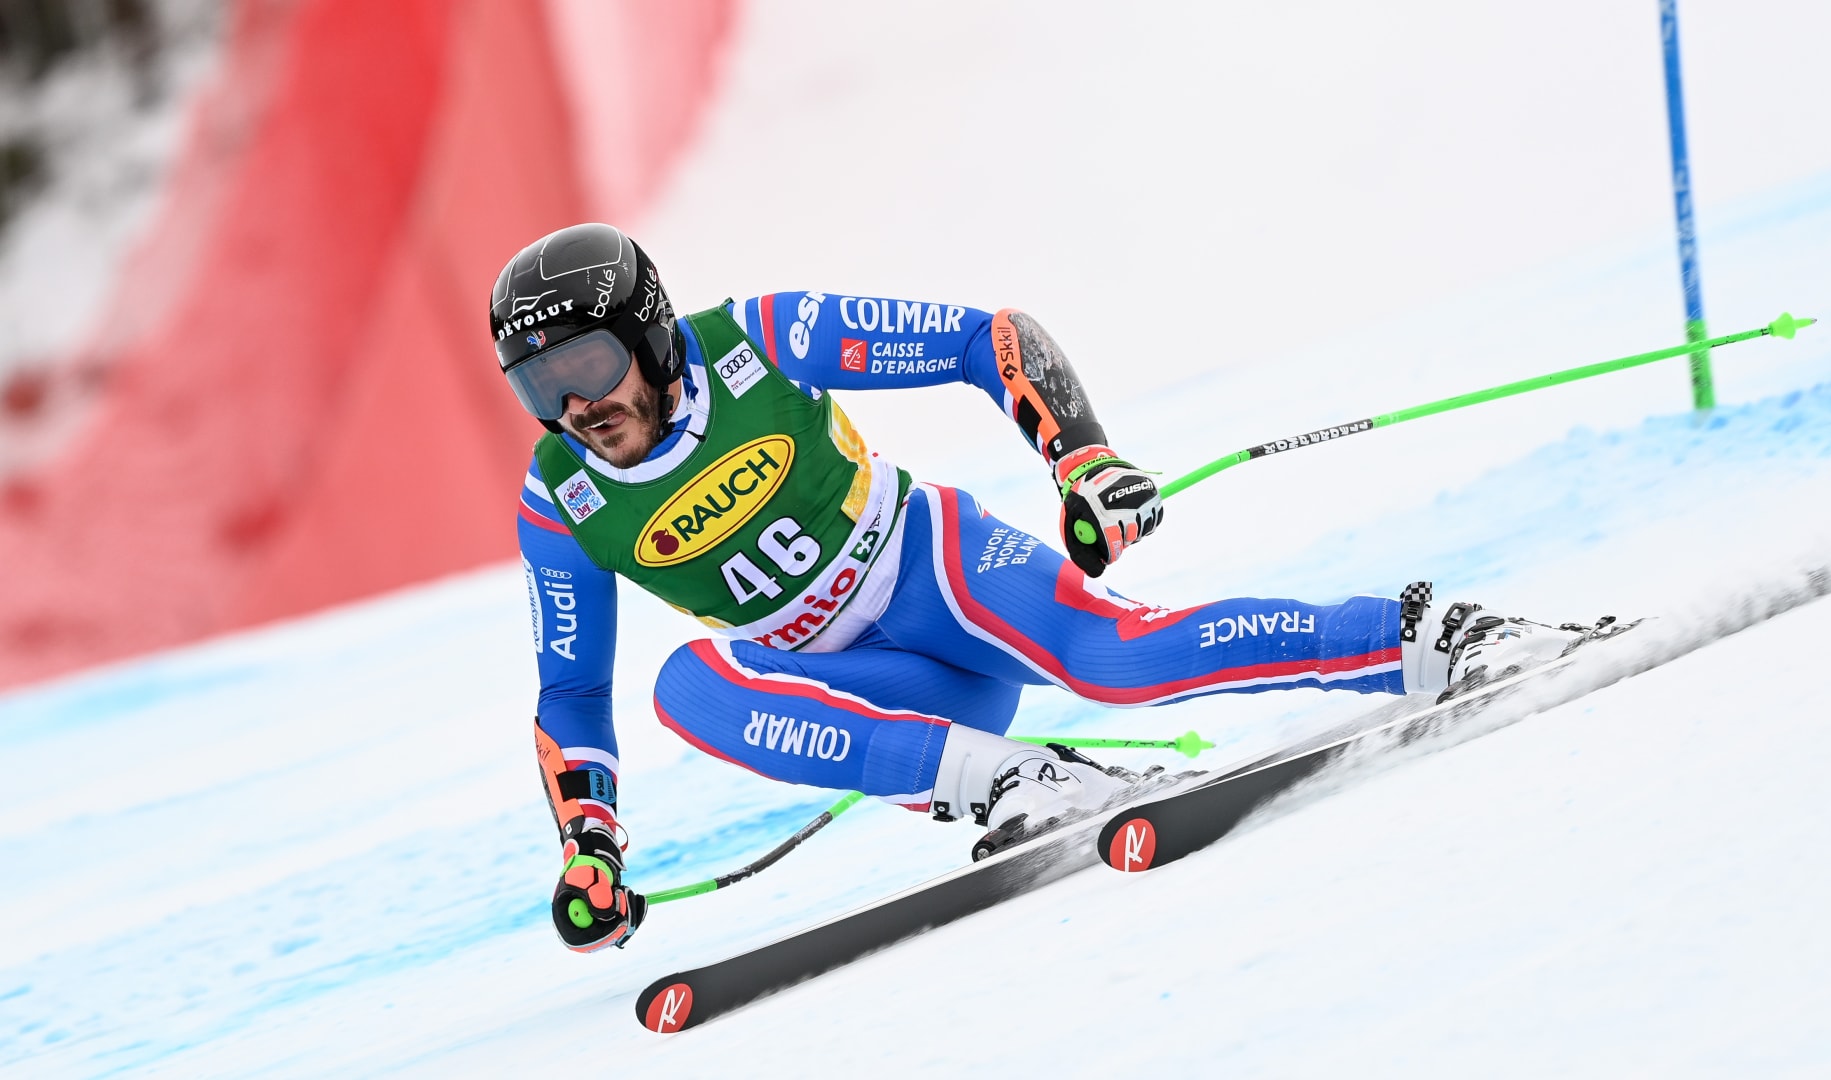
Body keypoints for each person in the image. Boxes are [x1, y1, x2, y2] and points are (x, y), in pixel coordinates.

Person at [497, 223, 1582, 953]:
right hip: (879, 688)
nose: (576, 406)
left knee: (1124, 661)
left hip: (932, 571)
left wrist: (1082, 457)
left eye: (587, 364)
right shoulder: (561, 499)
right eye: (541, 384)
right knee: (686, 687)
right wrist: (590, 842)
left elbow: (989, 337)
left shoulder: (761, 339)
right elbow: (573, 694)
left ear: (649, 332)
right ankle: (1019, 782)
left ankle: (1440, 634)